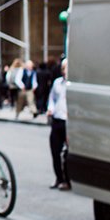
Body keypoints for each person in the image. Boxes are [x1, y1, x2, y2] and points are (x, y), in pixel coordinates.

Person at [47, 59, 70, 190]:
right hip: (57, 119)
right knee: (55, 151)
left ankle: (67, 179)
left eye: (66, 68)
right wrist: (50, 109)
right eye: (62, 68)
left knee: (67, 153)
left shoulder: (74, 85)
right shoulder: (57, 83)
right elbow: (52, 98)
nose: (63, 70)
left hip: (68, 121)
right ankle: (59, 178)